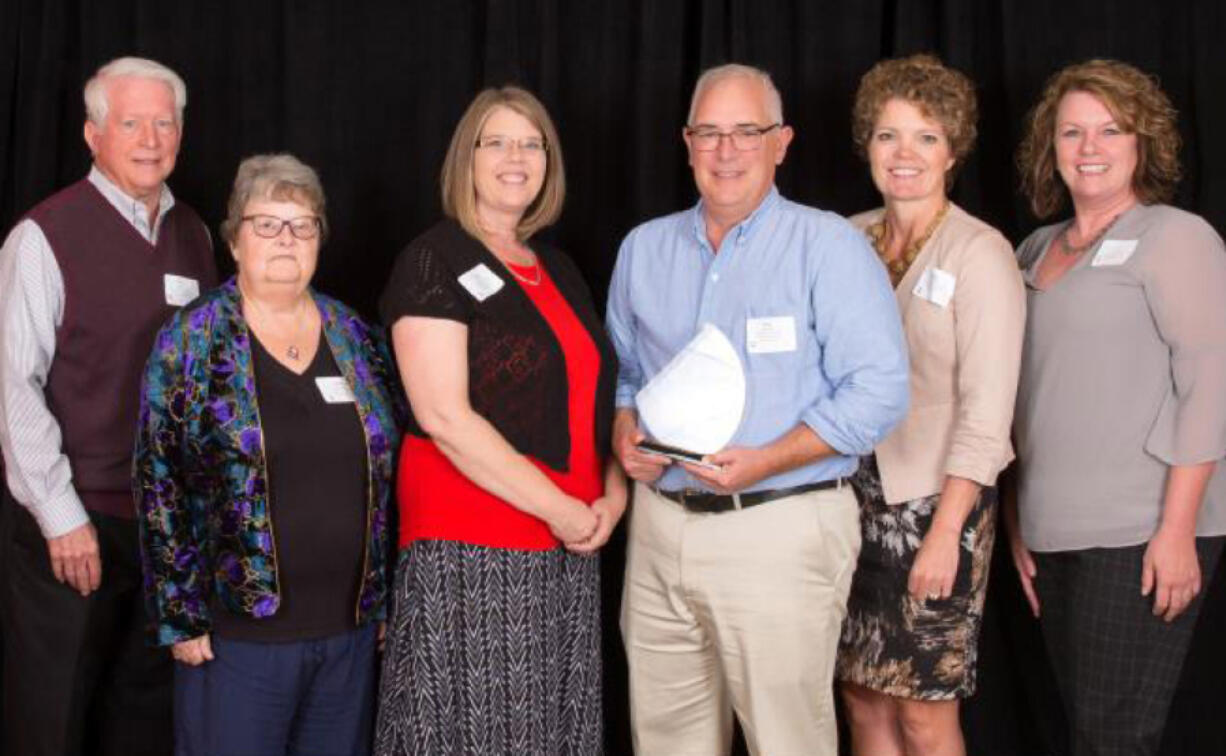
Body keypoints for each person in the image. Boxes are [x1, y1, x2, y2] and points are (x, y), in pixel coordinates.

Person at [607, 63, 909, 755]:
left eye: (747, 131)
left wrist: (769, 458)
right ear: (686, 144)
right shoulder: (643, 250)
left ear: (783, 142)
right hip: (659, 530)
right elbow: (627, 375)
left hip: (780, 526)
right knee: (666, 739)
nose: (726, 149)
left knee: (786, 740)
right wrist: (626, 428)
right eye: (709, 132)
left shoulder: (827, 246)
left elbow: (880, 391)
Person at [374, 86, 624, 755]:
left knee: (549, 730)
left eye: (531, 143)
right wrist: (563, 510)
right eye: (497, 142)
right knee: (475, 731)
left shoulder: (559, 268)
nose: (516, 157)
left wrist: (609, 500)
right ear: (468, 158)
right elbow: (443, 416)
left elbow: (593, 403)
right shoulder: (435, 258)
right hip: (472, 536)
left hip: (568, 542)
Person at [135, 153, 402, 755]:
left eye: (302, 224)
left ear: (319, 239)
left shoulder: (355, 337)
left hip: (348, 634)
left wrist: (380, 596)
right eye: (267, 223)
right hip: (237, 638)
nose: (286, 238)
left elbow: (385, 475)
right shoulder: (193, 338)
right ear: (234, 240)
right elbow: (158, 478)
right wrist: (179, 612)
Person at [1007, 59, 1226, 756]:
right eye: (1072, 132)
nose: (1090, 147)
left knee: (1114, 738)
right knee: (1086, 730)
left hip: (1140, 529)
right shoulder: (1034, 251)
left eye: (1111, 130)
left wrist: (1178, 529)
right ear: (1052, 148)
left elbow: (1211, 381)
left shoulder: (1175, 237)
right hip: (1051, 532)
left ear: (1142, 144)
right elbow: (1017, 400)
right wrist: (1016, 521)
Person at [0, 56, 217, 756]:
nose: (150, 138)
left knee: (143, 720)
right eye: (131, 122)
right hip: (73, 521)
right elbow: (12, 385)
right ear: (94, 134)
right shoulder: (44, 235)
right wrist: (61, 517)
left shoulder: (196, 235)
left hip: (161, 525)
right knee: (56, 717)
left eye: (165, 122)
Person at [833, 55, 1025, 756]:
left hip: (935, 507)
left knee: (922, 709)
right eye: (888, 136)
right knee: (860, 695)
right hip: (844, 507)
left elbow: (988, 409)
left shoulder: (980, 252)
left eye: (925, 136)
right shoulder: (844, 240)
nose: (904, 154)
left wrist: (946, 533)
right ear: (868, 146)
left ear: (954, 149)